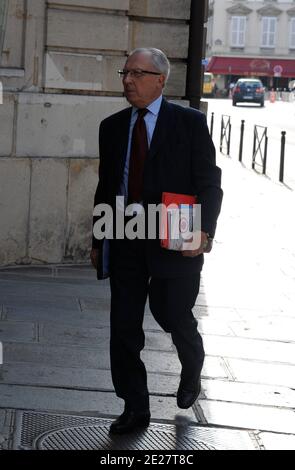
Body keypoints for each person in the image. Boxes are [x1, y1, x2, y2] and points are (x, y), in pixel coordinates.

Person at [90, 48, 223, 434]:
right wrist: (100, 237)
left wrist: (206, 230)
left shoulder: (190, 123)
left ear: (160, 80)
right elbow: (107, 186)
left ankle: (192, 363)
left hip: (176, 237)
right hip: (127, 236)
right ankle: (135, 407)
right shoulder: (112, 127)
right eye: (125, 73)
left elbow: (208, 182)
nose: (128, 80)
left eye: (137, 73)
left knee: (172, 315)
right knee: (124, 325)